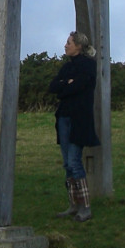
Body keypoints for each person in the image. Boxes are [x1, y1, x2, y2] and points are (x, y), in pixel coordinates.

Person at [49, 30, 100, 222]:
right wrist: (66, 84)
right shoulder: (67, 67)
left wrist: (65, 87)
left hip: (79, 119)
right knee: (67, 164)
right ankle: (73, 204)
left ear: (78, 45)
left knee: (74, 162)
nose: (65, 45)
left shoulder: (88, 66)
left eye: (69, 42)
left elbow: (76, 87)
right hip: (63, 117)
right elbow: (53, 87)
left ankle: (85, 207)